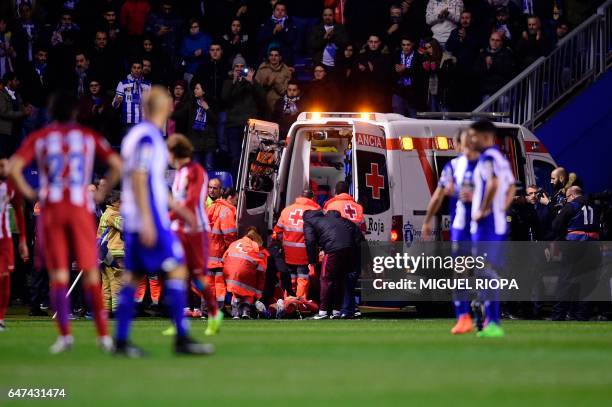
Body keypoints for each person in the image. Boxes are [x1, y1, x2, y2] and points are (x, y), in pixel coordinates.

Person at [8, 90, 122, 353]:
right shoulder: (86, 137)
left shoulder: (41, 138)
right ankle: (103, 337)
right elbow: (116, 163)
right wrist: (102, 194)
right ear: (74, 113)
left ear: (50, 112)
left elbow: (14, 166)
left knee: (59, 274)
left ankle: (65, 337)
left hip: (53, 210)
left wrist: (30, 193)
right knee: (91, 272)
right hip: (80, 209)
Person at [114, 86, 214, 357]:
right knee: (179, 269)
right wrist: (148, 220)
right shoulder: (148, 137)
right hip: (149, 219)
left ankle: (121, 340)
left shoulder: (138, 135)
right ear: (162, 106)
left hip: (139, 216)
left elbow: (152, 182)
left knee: (133, 277)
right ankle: (181, 338)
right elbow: (139, 177)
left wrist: (178, 209)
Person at [167, 133, 223, 334]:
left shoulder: (196, 172)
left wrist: (168, 216)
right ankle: (178, 321)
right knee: (176, 274)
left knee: (198, 276)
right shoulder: (179, 173)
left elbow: (190, 203)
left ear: (174, 153)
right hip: (179, 230)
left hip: (196, 230)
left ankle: (215, 314)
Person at [469, 120, 516, 338]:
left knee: (484, 270)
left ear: (485, 136)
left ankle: (493, 320)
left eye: (474, 135)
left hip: (487, 225)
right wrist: (501, 210)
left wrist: (484, 210)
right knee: (487, 270)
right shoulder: (500, 158)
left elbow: (495, 183)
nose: (472, 139)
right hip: (495, 223)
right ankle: (491, 320)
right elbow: (511, 187)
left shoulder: (488, 157)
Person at [550, 185, 600, 321]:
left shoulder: (571, 206)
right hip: (593, 247)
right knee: (587, 283)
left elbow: (556, 225)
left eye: (567, 197)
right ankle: (582, 316)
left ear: (572, 195)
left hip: (574, 247)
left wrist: (561, 240)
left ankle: (558, 315)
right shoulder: (594, 206)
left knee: (565, 281)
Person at [303, 208, 362, 319]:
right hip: (349, 248)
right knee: (339, 279)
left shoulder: (309, 221)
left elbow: (310, 241)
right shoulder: (328, 219)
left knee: (325, 279)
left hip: (334, 248)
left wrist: (312, 261)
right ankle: (336, 311)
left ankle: (323, 312)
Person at [323, 181, 364, 318]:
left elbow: (325, 226)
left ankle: (341, 309)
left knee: (336, 278)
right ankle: (349, 308)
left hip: (338, 246)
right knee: (351, 278)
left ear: (336, 191)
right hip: (355, 246)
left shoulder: (331, 205)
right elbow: (363, 228)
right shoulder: (358, 207)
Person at [221, 55, 264, 180]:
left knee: (250, 157)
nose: (239, 69)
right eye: (236, 67)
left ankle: (248, 183)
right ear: (233, 69)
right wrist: (234, 81)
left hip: (249, 126)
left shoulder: (252, 83)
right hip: (233, 126)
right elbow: (224, 99)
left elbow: (262, 99)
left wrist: (252, 82)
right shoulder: (228, 83)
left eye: (242, 67)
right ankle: (235, 184)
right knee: (235, 157)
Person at [274, 189, 320, 299]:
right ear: (312, 198)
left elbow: (278, 230)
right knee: (303, 276)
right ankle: (300, 302)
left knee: (291, 276)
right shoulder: (315, 211)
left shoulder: (286, 210)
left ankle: (290, 299)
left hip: (288, 252)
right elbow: (319, 232)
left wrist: (284, 242)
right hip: (304, 252)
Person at [0, 158, 28, 331]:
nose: (6, 168)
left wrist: (23, 239)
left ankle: (0, 319)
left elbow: (18, 211)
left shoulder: (10, 186)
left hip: (5, 239)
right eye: (2, 165)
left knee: (4, 277)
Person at [224, 227, 268, 319]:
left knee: (235, 290)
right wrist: (258, 293)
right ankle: (245, 312)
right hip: (244, 271)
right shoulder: (258, 247)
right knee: (249, 290)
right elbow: (261, 272)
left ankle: (235, 313)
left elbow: (224, 258)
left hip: (228, 270)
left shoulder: (235, 243)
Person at [206, 186, 238, 311]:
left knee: (209, 284)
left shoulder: (211, 207)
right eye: (235, 200)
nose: (236, 203)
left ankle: (206, 310)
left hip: (207, 254)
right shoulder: (227, 211)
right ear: (230, 197)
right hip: (219, 255)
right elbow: (229, 234)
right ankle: (219, 309)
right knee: (219, 283)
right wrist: (232, 249)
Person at [97, 190, 124, 314]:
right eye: (121, 201)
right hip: (114, 252)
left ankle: (106, 310)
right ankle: (117, 310)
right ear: (113, 202)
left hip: (103, 253)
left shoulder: (105, 214)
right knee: (117, 282)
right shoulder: (114, 214)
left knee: (106, 283)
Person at [473, 31, 514, 102]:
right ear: (489, 40)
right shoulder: (483, 54)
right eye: (492, 40)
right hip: (486, 90)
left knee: (503, 101)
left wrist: (493, 65)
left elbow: (508, 71)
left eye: (497, 40)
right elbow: (476, 71)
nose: (494, 42)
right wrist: (487, 66)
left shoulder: (507, 53)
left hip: (502, 90)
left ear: (501, 42)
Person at [113, 60, 152, 133]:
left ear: (142, 69)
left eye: (139, 68)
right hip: (127, 121)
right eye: (134, 68)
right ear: (131, 69)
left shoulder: (147, 85)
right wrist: (117, 101)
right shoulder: (123, 83)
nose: (136, 70)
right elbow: (115, 105)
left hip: (143, 121)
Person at [187, 80, 217, 171]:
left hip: (208, 142)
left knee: (209, 169)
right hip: (195, 142)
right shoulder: (192, 103)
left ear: (203, 91)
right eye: (194, 89)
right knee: (195, 170)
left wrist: (207, 108)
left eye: (197, 88)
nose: (195, 90)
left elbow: (215, 120)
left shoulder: (212, 103)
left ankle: (209, 185)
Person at [0, 72, 31, 158]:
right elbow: (3, 112)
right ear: (9, 82)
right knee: (5, 156)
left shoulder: (16, 93)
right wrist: (22, 113)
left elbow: (20, 108)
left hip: (17, 129)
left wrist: (26, 110)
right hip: (5, 132)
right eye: (16, 80)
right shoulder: (1, 94)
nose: (18, 82)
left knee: (16, 154)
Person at [257, 1, 298, 66]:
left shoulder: (290, 23)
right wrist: (273, 32)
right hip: (268, 53)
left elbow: (292, 40)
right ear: (273, 12)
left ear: (286, 12)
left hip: (285, 55)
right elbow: (260, 39)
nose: (280, 12)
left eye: (282, 10)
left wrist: (282, 31)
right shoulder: (266, 22)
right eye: (277, 10)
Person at [254, 47, 293, 116]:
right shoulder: (262, 69)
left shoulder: (286, 71)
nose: (273, 57)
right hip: (263, 106)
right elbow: (255, 88)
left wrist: (275, 82)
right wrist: (265, 84)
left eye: (276, 55)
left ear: (280, 57)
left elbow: (286, 92)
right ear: (268, 57)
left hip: (279, 107)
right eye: (271, 55)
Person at [392, 36, 424, 118]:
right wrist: (395, 70)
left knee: (414, 118)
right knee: (397, 117)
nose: (406, 47)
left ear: (412, 45)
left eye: (408, 45)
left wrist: (405, 70)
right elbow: (391, 71)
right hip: (398, 90)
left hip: (412, 92)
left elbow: (420, 74)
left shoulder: (418, 57)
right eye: (403, 45)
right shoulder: (396, 55)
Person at [179, 19, 212, 83]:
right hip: (189, 71)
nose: (193, 29)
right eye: (191, 27)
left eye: (195, 27)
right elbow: (182, 53)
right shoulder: (185, 39)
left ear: (199, 27)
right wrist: (193, 54)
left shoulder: (207, 37)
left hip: (205, 71)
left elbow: (212, 51)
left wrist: (203, 52)